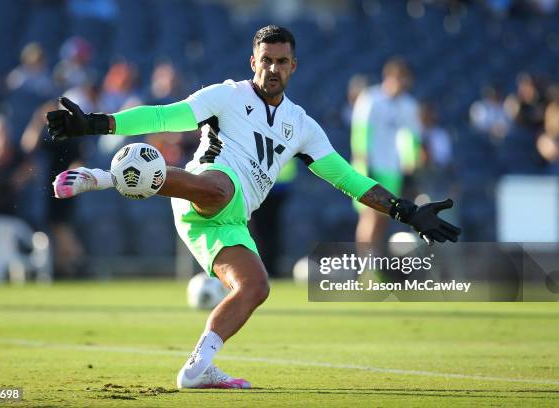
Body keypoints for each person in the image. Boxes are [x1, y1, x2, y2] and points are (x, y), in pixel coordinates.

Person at [46, 26, 460, 389]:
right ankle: (102, 177)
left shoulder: (302, 126)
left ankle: (198, 368)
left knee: (256, 287)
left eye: (281, 61)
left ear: (294, 65)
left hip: (231, 220)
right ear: (253, 61)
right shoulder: (227, 95)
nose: (273, 69)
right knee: (221, 186)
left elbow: (348, 180)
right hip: (206, 189)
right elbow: (163, 116)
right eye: (266, 60)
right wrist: (98, 123)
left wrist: (405, 211)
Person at [351, 58, 422, 248]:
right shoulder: (370, 99)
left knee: (383, 218)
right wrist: (364, 168)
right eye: (401, 78)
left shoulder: (409, 105)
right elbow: (360, 134)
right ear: (389, 76)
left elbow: (413, 138)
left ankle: (373, 264)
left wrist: (410, 166)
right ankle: (365, 266)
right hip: (371, 167)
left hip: (393, 170)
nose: (403, 84)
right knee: (370, 216)